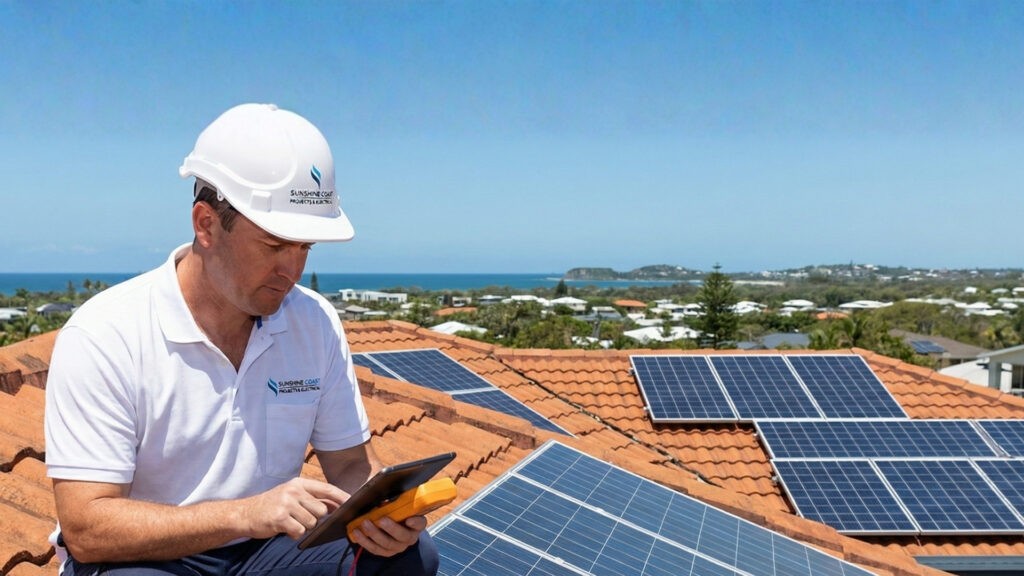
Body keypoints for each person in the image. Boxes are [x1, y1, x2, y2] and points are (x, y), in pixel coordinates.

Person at [44, 103, 440, 575]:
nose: (292, 271)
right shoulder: (106, 335)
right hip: (145, 557)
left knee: (407, 560)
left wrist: (387, 512)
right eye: (274, 245)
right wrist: (243, 514)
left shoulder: (314, 323)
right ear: (206, 224)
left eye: (304, 248)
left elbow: (353, 466)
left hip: (262, 550)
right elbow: (87, 528)